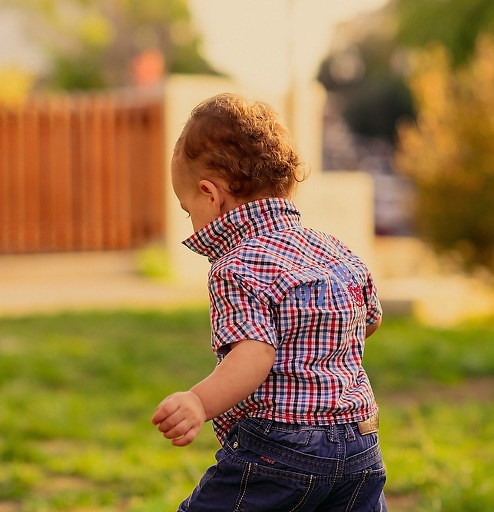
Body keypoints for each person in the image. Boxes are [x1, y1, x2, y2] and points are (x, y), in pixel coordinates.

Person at [151, 92, 387, 511]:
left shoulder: (237, 265)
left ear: (210, 194)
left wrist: (199, 401)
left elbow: (255, 352)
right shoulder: (334, 249)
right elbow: (368, 320)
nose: (191, 220)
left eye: (188, 209)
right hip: (360, 445)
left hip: (281, 451)